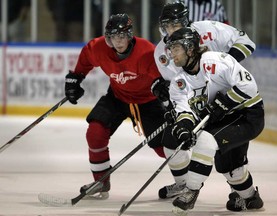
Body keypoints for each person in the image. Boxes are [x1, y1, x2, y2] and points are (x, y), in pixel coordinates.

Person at [64, 13, 180, 199]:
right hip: (117, 97)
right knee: (95, 132)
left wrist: (161, 88)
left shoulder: (146, 52)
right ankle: (101, 182)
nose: (117, 41)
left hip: (147, 102)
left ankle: (185, 181)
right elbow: (86, 57)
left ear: (130, 35)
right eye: (113, 37)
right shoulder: (99, 47)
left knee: (163, 146)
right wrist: (75, 77)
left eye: (122, 36)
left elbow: (162, 78)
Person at [152, 1, 256, 200]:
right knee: (172, 140)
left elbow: (247, 42)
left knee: (230, 161)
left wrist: (225, 63)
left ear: (186, 21)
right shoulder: (161, 52)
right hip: (198, 107)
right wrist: (168, 97)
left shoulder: (209, 30)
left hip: (230, 103)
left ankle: (241, 191)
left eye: (176, 24)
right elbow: (179, 86)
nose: (171, 30)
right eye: (167, 26)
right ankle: (182, 185)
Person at [165, 27, 264, 215]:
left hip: (247, 114)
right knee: (230, 170)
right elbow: (183, 109)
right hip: (222, 120)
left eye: (176, 48)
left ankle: (191, 191)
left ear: (190, 49)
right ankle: (251, 198)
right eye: (170, 49)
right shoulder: (178, 81)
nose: (172, 54)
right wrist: (184, 128)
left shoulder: (217, 61)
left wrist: (224, 102)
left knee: (206, 140)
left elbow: (249, 86)